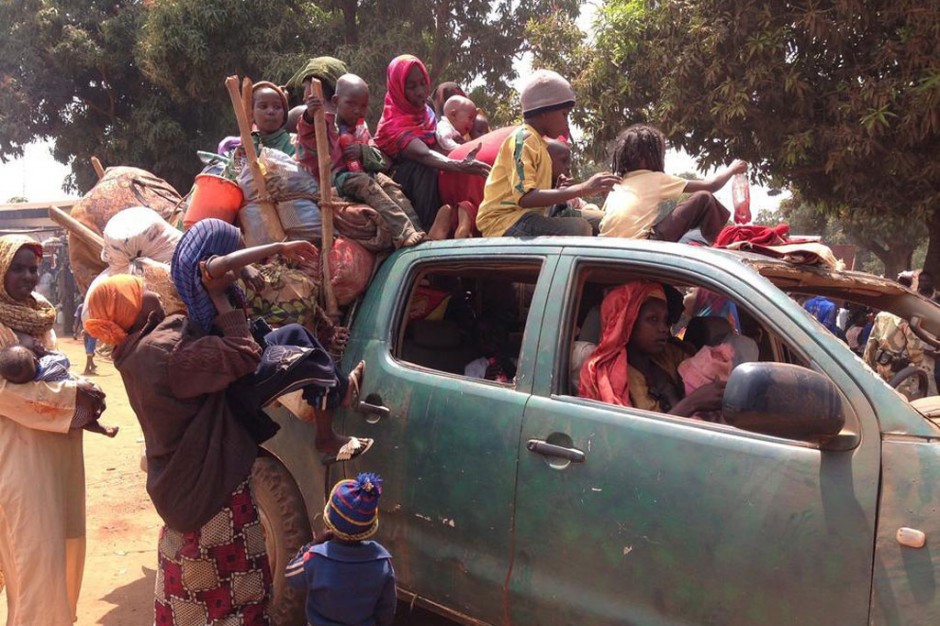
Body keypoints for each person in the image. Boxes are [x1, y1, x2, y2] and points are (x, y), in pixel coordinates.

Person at [170, 218, 371, 458]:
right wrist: (279, 248)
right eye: (234, 246)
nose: (240, 249)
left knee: (296, 332)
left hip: (251, 349)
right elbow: (243, 347)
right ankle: (325, 438)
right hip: (244, 373)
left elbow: (230, 263)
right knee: (314, 363)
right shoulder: (212, 290)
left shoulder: (204, 284)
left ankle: (345, 388)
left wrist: (245, 269)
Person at [0, 234, 107, 626]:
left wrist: (79, 390)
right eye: (19, 269)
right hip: (19, 453)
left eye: (34, 268)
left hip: (60, 448)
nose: (29, 276)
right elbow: (5, 393)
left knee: (66, 545)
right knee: (34, 557)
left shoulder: (41, 311)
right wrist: (70, 396)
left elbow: (58, 364)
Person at [475, 69, 618, 238]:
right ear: (544, 112)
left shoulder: (540, 144)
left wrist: (558, 189)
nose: (566, 123)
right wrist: (582, 188)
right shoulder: (524, 139)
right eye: (564, 115)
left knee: (605, 221)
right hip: (504, 221)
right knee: (578, 228)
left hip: (529, 217)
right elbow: (525, 197)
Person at [373, 54, 490, 231]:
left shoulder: (426, 112)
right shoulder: (392, 123)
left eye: (423, 83)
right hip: (404, 183)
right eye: (412, 87)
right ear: (398, 89)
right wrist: (459, 164)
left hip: (430, 173)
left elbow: (437, 146)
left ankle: (460, 218)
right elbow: (423, 154)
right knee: (424, 168)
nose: (420, 91)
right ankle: (429, 228)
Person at [578, 281, 724, 417]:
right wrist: (692, 403)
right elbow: (632, 438)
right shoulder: (607, 377)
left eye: (666, 321)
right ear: (628, 323)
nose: (664, 328)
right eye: (652, 319)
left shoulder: (670, 354)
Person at [324, 73, 430, 247]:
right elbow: (306, 136)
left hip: (365, 174)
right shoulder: (327, 126)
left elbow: (381, 160)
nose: (357, 110)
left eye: (363, 106)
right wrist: (310, 114)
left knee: (389, 184)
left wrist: (363, 152)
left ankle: (416, 229)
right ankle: (403, 232)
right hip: (339, 180)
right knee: (365, 182)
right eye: (351, 103)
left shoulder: (361, 128)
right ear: (335, 102)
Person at [599, 124, 746, 244]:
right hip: (643, 246)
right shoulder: (655, 178)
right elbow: (711, 185)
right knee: (704, 198)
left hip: (607, 246)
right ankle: (709, 245)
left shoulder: (617, 183)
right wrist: (732, 169)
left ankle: (700, 241)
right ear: (647, 157)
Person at [285, 473, 396, 626]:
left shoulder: (315, 559)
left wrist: (313, 544)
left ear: (329, 525)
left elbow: (291, 574)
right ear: (369, 527)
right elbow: (386, 609)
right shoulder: (382, 563)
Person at [0, 343, 117, 437]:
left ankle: (101, 429)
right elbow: (64, 359)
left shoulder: (31, 381)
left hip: (69, 419)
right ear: (35, 360)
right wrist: (46, 352)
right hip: (80, 405)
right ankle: (103, 429)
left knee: (83, 423)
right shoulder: (49, 363)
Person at [545, 138, 605, 233]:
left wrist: (589, 207)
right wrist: (580, 189)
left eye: (569, 163)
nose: (568, 167)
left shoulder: (563, 181)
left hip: (567, 212)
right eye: (563, 161)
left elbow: (578, 203)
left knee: (605, 219)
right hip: (556, 218)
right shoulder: (540, 185)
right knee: (583, 227)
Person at [252, 81, 294, 156]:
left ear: (284, 115)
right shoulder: (247, 143)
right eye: (263, 106)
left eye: (277, 107)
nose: (271, 111)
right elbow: (236, 166)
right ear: (251, 114)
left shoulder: (292, 144)